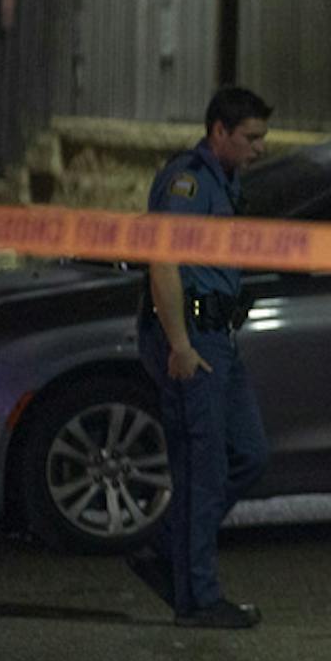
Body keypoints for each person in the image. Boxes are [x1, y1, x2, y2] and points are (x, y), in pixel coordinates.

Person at [126, 85, 274, 629]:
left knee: (249, 454)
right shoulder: (187, 181)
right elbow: (162, 261)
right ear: (219, 132)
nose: (259, 148)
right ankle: (199, 599)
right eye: (250, 138)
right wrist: (181, 345)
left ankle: (168, 549)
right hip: (190, 335)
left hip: (219, 336)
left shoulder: (226, 181)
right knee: (202, 470)